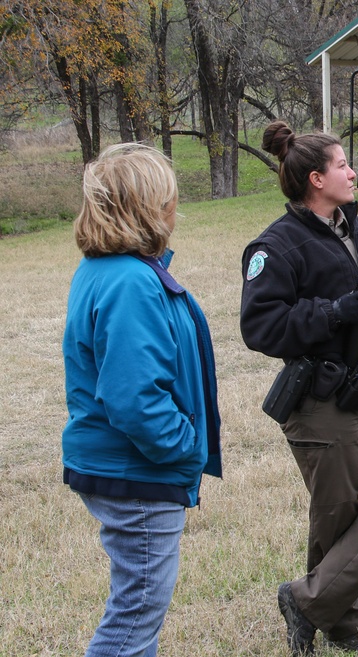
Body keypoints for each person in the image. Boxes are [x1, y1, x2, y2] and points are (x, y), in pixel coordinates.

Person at [240, 121, 358, 655]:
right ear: (317, 178)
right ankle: (345, 626)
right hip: (323, 400)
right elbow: (260, 327)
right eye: (344, 164)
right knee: (336, 516)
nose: (352, 171)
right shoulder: (278, 245)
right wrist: (333, 313)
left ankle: (304, 601)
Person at [62, 143, 223, 656]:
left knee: (135, 611)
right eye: (169, 198)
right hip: (137, 475)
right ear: (146, 207)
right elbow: (134, 400)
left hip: (125, 469)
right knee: (133, 620)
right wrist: (185, 448)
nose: (176, 209)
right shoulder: (130, 281)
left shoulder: (109, 270)